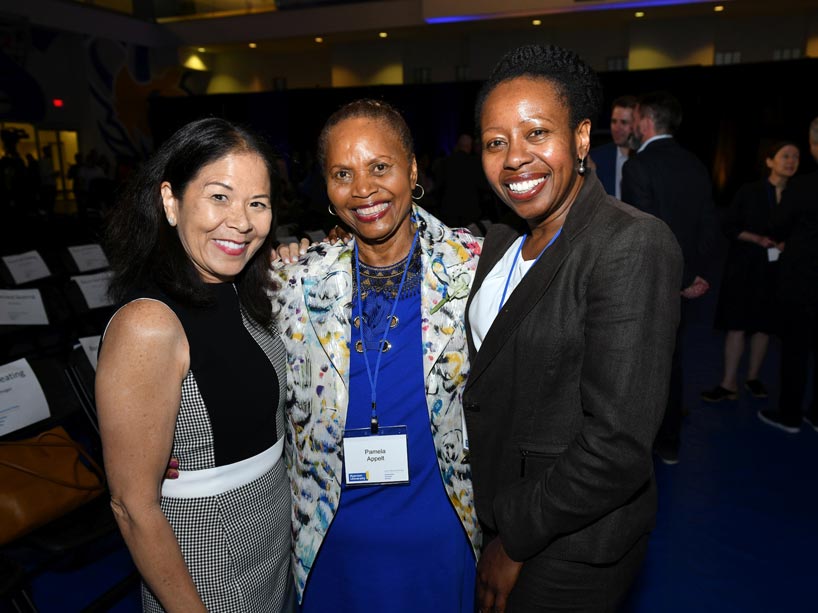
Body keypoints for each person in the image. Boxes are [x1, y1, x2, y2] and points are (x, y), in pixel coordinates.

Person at [464, 44, 682, 612]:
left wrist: (513, 538)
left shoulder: (630, 242)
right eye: (496, 142)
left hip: (567, 543)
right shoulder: (505, 240)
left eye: (536, 134)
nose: (514, 158)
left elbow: (617, 447)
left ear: (582, 138)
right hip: (501, 512)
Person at [271, 99, 481, 611]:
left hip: (439, 540)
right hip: (329, 545)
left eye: (380, 167)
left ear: (412, 171)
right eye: (343, 173)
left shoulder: (474, 270)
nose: (362, 189)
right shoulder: (294, 281)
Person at [95, 118, 293, 612]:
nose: (242, 221)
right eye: (219, 197)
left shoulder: (243, 290)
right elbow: (132, 505)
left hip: (270, 541)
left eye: (257, 203)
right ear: (170, 200)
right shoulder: (147, 325)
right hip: (206, 561)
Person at [621, 90, 718, 464]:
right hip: (686, 284)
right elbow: (710, 224)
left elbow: (646, 234)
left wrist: (673, 278)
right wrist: (695, 275)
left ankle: (637, 445)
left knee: (639, 365)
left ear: (645, 122)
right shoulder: (696, 163)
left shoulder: (637, 166)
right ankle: (669, 442)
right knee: (673, 361)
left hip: (650, 282)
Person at [702, 140, 799, 403]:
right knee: (736, 325)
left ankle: (753, 378)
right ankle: (728, 382)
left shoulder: (798, 195)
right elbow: (729, 225)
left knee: (764, 327)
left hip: (777, 270)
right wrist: (757, 239)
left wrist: (787, 243)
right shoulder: (750, 191)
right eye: (785, 155)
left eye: (795, 157)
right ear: (769, 161)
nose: (791, 161)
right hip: (744, 267)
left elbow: (804, 231)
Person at [760, 117, 818, 432]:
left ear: (812, 145)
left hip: (803, 281)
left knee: (795, 350)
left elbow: (777, 224)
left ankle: (791, 414)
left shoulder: (804, 185)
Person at [588, 94, 637, 199]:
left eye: (624, 122)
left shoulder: (647, 158)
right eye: (614, 121)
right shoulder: (595, 158)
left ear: (636, 124)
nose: (617, 128)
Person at [435, 131, 487, 228]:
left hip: (449, 212)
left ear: (458, 145)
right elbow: (483, 186)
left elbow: (438, 187)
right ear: (470, 146)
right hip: (470, 213)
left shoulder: (445, 162)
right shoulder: (475, 163)